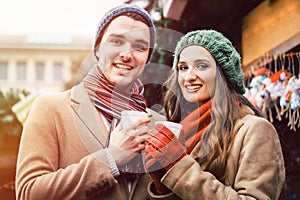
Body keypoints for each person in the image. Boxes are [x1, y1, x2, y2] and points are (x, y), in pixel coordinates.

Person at [16, 4, 160, 200]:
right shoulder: (50, 108)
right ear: (98, 49)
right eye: (117, 41)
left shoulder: (158, 122)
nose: (127, 55)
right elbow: (29, 193)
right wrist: (111, 158)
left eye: (140, 47)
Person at [145, 30, 286, 199]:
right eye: (183, 68)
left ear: (223, 74)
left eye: (202, 66)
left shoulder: (255, 130)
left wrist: (179, 167)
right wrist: (162, 182)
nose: (189, 77)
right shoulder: (179, 127)